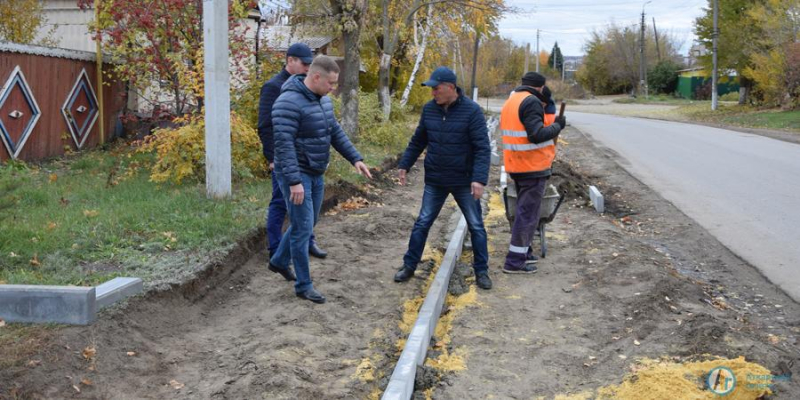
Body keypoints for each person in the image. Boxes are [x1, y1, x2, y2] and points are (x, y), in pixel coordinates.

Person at [268, 55, 372, 304]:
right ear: (315, 77)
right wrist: (294, 181)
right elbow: (283, 145)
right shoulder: (287, 103)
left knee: (310, 220)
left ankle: (279, 260)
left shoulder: (323, 100)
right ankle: (304, 286)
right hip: (295, 174)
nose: (333, 89)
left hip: (316, 171)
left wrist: (355, 158)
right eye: (331, 83)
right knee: (302, 229)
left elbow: (333, 130)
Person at [393, 66, 493, 290]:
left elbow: (482, 148)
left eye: (436, 88)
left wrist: (479, 179)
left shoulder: (472, 111)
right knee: (422, 223)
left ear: (450, 87)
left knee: (476, 226)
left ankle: (482, 271)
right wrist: (404, 165)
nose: (433, 93)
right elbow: (418, 140)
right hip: (436, 180)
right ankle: (409, 265)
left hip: (463, 181)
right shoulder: (429, 110)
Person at [257, 43, 328, 261]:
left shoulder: (308, 87)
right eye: (304, 63)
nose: (308, 67)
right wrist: (272, 158)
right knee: (280, 201)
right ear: (290, 60)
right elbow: (266, 126)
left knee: (306, 205)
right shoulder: (273, 87)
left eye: (310, 64)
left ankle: (308, 241)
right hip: (284, 160)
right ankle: (275, 249)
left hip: (305, 160)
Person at [500, 72, 565, 274]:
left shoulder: (512, 100)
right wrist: (557, 126)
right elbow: (536, 134)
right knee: (527, 215)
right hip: (532, 167)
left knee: (524, 211)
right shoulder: (532, 102)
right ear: (540, 88)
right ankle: (515, 261)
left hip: (517, 165)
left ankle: (524, 252)